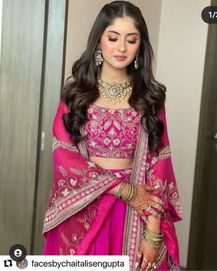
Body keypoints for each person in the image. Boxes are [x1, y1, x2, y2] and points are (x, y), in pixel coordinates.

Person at [42, 1, 183, 270]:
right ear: (98, 41)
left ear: (140, 46)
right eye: (113, 37)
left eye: (131, 40)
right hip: (85, 209)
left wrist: (153, 232)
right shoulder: (76, 94)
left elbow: (160, 163)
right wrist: (124, 190)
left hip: (135, 212)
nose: (121, 48)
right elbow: (63, 156)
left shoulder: (150, 97)